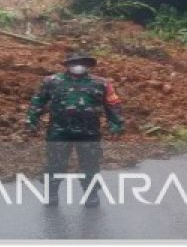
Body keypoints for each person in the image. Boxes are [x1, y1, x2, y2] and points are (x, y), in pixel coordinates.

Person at [26, 52, 123, 207]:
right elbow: (38, 101)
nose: (78, 66)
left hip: (89, 132)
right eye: (74, 63)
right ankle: (51, 194)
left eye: (82, 63)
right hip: (59, 131)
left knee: (90, 164)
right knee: (55, 164)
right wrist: (31, 120)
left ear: (87, 65)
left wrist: (116, 123)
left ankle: (91, 195)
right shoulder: (52, 81)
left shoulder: (101, 83)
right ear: (67, 64)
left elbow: (112, 104)